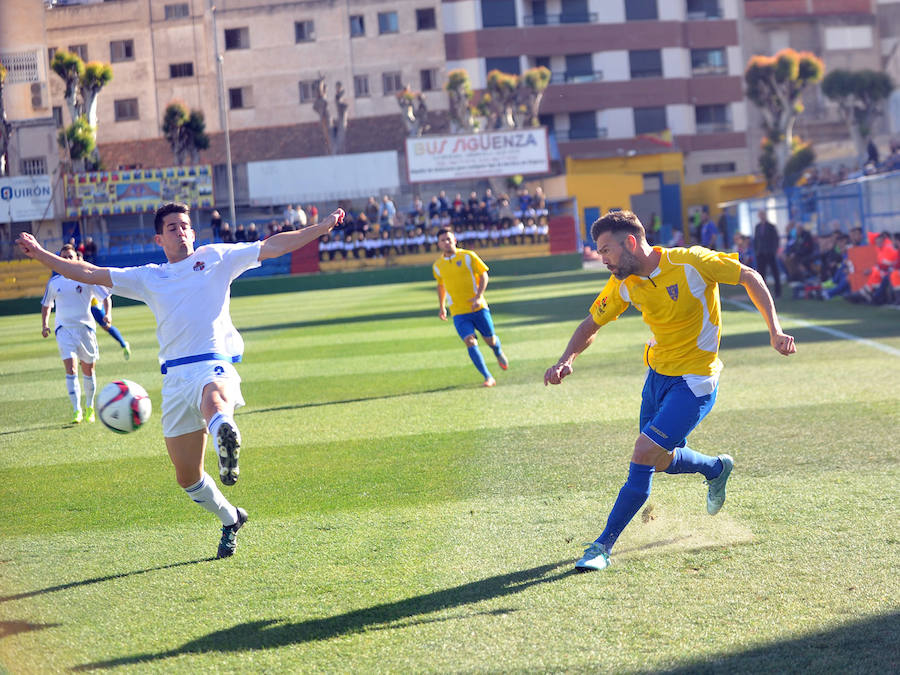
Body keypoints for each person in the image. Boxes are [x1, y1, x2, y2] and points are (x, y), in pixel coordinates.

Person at [17, 202, 345, 559]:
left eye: (185, 225)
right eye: (172, 227)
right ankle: (231, 517)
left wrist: (320, 228)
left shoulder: (218, 256)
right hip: (174, 377)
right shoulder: (149, 276)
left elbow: (274, 245)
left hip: (212, 363)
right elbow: (90, 272)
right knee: (187, 477)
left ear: (193, 231)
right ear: (160, 238)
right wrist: (41, 254)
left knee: (215, 402)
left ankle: (225, 433)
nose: (181, 231)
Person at [543, 210, 795, 572]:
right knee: (659, 460)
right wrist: (567, 358)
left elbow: (750, 277)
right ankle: (715, 467)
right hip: (657, 377)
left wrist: (775, 330)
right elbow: (591, 322)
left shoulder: (690, 261)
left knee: (644, 452)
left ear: (630, 242)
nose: (603, 259)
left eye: (606, 250)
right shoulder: (624, 282)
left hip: (695, 381)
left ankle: (601, 546)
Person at [40, 244, 113, 424]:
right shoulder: (54, 283)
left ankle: (89, 407)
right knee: (71, 369)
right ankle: (76, 410)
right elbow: (47, 305)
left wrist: (108, 314)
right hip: (64, 329)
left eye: (70, 256)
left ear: (77, 259)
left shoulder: (87, 279)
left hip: (86, 329)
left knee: (88, 370)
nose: (67, 260)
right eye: (64, 257)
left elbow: (106, 297)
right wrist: (45, 324)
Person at [433, 228, 509, 387]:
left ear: (455, 240)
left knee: (490, 340)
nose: (446, 242)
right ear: (439, 244)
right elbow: (441, 286)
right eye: (442, 240)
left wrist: (478, 296)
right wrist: (441, 306)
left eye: (448, 239)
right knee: (470, 341)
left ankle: (498, 351)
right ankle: (488, 377)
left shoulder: (468, 256)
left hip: (478, 308)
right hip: (459, 312)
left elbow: (483, 275)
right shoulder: (438, 266)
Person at [90, 296, 132, 360]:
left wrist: (108, 314)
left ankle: (124, 344)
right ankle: (86, 354)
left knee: (106, 326)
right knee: (85, 328)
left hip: (94, 305)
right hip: (84, 307)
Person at [753, 210, 781, 298]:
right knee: (761, 274)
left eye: (763, 214)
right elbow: (756, 240)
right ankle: (762, 292)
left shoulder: (771, 226)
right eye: (760, 215)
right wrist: (757, 250)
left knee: (775, 272)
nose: (762, 216)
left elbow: (776, 239)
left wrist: (774, 250)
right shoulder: (757, 227)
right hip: (760, 253)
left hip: (770, 253)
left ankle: (778, 292)